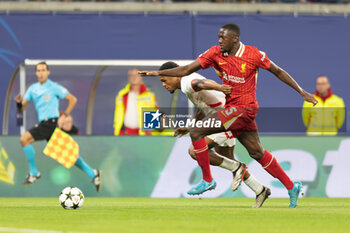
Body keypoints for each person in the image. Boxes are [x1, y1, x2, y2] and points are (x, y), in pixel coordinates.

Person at [140, 23, 318, 208]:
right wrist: (157, 73)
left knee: (196, 133)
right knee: (257, 152)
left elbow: (278, 71)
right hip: (232, 110)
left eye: (222, 37)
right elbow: (187, 69)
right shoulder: (215, 53)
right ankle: (291, 186)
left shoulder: (254, 54)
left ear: (235, 39)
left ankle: (208, 180)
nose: (219, 41)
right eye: (218, 37)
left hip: (245, 108)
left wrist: (301, 91)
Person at [158, 61, 270, 208]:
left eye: (164, 80)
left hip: (227, 119)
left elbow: (204, 83)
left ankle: (215, 177)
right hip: (222, 120)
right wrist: (191, 126)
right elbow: (202, 107)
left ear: (174, 74)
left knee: (195, 151)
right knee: (229, 162)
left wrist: (220, 87)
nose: (163, 85)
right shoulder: (188, 84)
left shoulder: (187, 80)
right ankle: (260, 190)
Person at [15, 61, 102, 192]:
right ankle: (93, 173)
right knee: (68, 155)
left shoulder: (53, 87)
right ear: (36, 73)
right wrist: (18, 104)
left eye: (43, 70)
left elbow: (72, 99)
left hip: (51, 123)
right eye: (38, 70)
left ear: (48, 72)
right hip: (45, 124)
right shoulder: (32, 88)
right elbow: (23, 108)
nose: (41, 73)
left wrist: (65, 115)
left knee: (24, 139)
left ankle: (34, 173)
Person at [114, 68, 158, 135]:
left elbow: (154, 114)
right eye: (132, 75)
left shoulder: (149, 95)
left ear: (141, 77)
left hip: (142, 134)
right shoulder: (122, 94)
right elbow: (117, 114)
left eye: (137, 75)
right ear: (129, 78)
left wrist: (149, 133)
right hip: (125, 132)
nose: (134, 77)